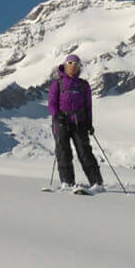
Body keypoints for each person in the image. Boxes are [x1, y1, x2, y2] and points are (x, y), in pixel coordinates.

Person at [48, 54, 104, 192]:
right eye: (70, 63)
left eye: (76, 64)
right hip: (61, 122)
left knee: (85, 152)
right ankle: (67, 182)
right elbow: (51, 103)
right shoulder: (57, 84)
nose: (73, 66)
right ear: (65, 65)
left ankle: (96, 183)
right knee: (63, 152)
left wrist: (89, 124)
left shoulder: (83, 85)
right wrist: (57, 115)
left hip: (80, 122)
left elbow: (88, 107)